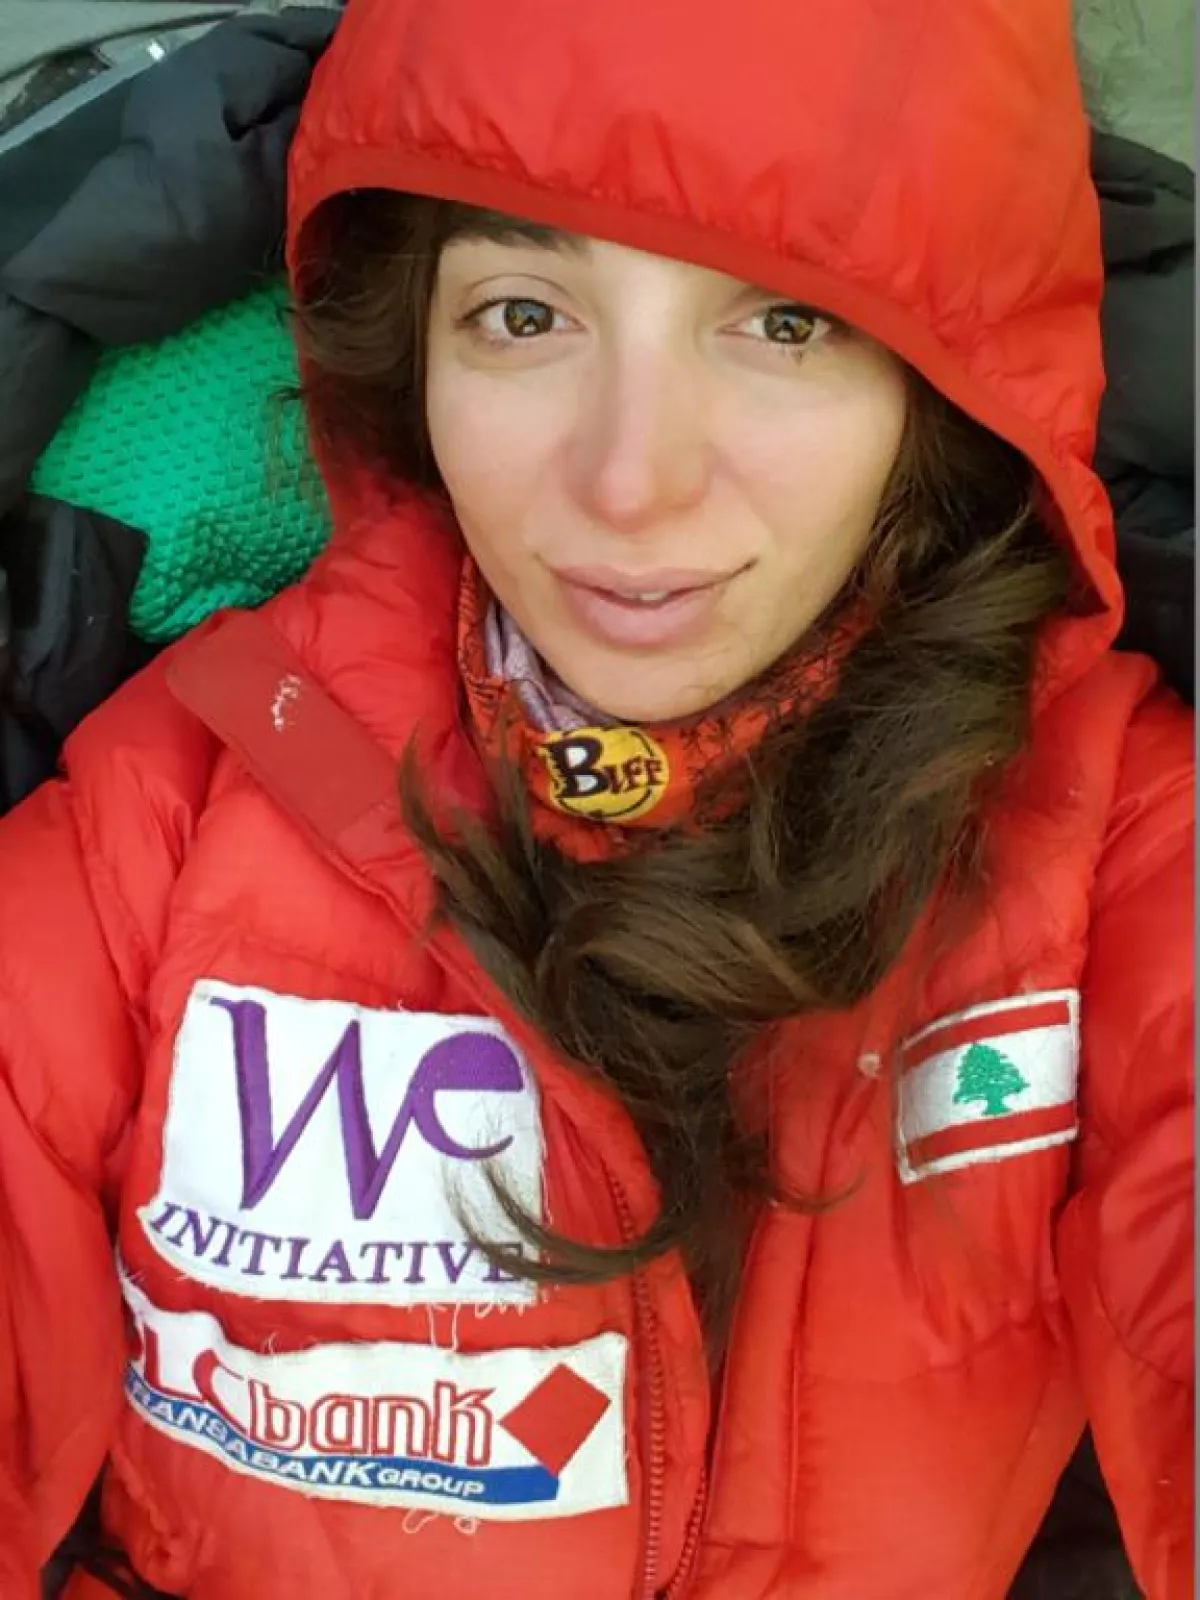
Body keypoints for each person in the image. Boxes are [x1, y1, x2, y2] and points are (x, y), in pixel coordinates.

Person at [0, 0, 1192, 1596]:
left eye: (786, 323)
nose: (632, 482)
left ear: (945, 380)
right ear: (408, 354)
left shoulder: (1112, 828)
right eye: (522, 314)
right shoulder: (179, 797)